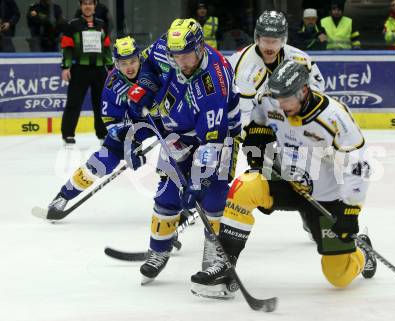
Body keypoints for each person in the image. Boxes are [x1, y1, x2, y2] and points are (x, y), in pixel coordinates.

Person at [190, 59, 377, 299]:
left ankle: (362, 251)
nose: (281, 104)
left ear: (304, 91)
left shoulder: (334, 117)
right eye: (278, 98)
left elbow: (359, 165)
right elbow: (259, 118)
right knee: (244, 188)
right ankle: (225, 265)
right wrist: (258, 136)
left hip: (324, 197)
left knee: (337, 276)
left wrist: (349, 210)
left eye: (287, 98)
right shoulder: (273, 100)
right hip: (285, 179)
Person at [125, 18, 241, 283]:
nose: (182, 61)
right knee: (167, 193)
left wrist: (198, 181)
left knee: (213, 197)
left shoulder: (214, 81)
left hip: (218, 136)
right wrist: (145, 87)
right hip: (178, 132)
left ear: (200, 48)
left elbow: (211, 142)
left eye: (187, 55)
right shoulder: (165, 47)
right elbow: (146, 65)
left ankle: (215, 260)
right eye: (177, 55)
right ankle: (159, 252)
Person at [47, 36, 150, 216]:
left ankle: (185, 205)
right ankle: (63, 195)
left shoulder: (152, 71)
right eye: (124, 63)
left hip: (164, 123)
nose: (130, 67)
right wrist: (128, 146)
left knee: (177, 157)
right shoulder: (112, 86)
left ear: (139, 58)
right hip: (130, 131)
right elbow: (112, 123)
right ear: (116, 64)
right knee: (99, 164)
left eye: (133, 61)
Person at [228, 10, 325, 127]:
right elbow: (244, 112)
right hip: (257, 119)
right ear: (257, 38)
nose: (269, 47)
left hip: (292, 115)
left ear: (283, 39)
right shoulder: (243, 64)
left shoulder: (300, 58)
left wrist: (296, 100)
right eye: (265, 41)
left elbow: (319, 89)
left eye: (274, 41)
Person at [60, 0, 112, 146]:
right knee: (73, 102)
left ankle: (103, 133)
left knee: (101, 104)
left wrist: (110, 67)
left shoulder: (102, 25)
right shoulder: (73, 25)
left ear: (95, 6)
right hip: (79, 71)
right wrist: (65, 67)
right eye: (85, 3)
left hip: (99, 71)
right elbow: (67, 48)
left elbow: (107, 48)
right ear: (81, 6)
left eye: (90, 3)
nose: (88, 6)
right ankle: (68, 134)